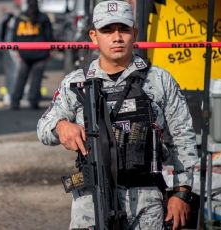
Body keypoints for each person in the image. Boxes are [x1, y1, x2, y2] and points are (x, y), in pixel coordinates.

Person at [37, 1, 198, 229]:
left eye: (123, 29)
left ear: (135, 33)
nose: (117, 37)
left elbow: (183, 137)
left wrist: (181, 193)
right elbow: (43, 128)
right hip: (92, 204)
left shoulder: (159, 80)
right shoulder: (76, 83)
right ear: (94, 36)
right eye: (107, 30)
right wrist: (61, 126)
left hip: (147, 203)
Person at [10, 0, 53, 110]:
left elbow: (14, 37)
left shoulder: (20, 17)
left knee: (21, 77)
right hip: (40, 53)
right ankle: (33, 101)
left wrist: (18, 51)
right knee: (36, 78)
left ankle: (15, 101)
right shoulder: (43, 18)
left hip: (24, 53)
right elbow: (49, 36)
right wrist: (50, 52)